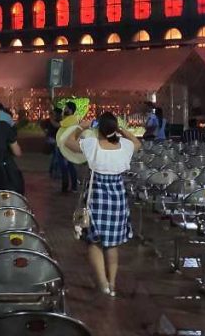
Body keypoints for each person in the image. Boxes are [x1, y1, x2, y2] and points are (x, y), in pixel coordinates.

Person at [64, 111, 140, 297]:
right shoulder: (125, 146)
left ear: (98, 129)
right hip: (117, 200)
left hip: (96, 198)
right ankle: (112, 284)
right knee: (112, 245)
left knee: (94, 242)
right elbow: (138, 143)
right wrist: (122, 130)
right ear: (115, 128)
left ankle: (103, 284)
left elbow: (69, 143)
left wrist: (81, 127)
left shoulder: (92, 145)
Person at [56, 102, 82, 192]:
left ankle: (66, 186)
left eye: (66, 108)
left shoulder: (71, 119)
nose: (64, 109)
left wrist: (51, 118)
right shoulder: (70, 118)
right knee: (69, 166)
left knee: (65, 166)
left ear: (70, 110)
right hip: (65, 145)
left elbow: (57, 125)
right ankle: (72, 186)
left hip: (65, 146)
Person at [41, 108, 63, 179]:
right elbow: (43, 124)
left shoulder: (58, 120)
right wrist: (46, 132)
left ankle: (52, 172)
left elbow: (56, 125)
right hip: (53, 140)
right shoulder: (51, 120)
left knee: (55, 157)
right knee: (56, 157)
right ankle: (54, 172)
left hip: (55, 140)